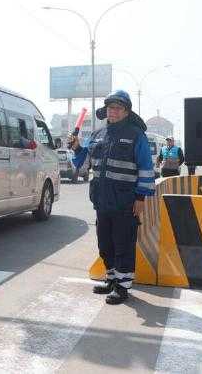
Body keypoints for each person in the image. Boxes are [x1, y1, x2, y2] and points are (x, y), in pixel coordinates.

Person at [69, 90, 155, 305]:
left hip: (126, 202)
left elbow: (146, 168)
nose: (113, 111)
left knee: (123, 244)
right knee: (105, 244)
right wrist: (77, 148)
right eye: (110, 108)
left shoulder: (137, 135)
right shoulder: (98, 135)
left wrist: (141, 198)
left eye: (118, 108)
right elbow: (84, 163)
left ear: (126, 111)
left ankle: (123, 286)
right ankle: (110, 279)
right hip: (102, 201)